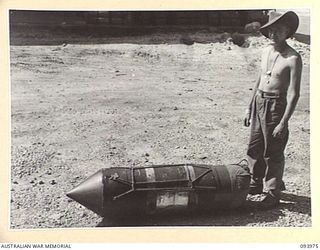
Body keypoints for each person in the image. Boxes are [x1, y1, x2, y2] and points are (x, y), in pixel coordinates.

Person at [244, 11, 302, 208]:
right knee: (254, 146)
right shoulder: (266, 52)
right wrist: (249, 107)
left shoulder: (293, 58)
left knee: (273, 151)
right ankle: (255, 181)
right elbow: (259, 79)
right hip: (260, 100)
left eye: (279, 30)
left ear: (288, 32)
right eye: (271, 30)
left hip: (276, 106)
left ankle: (272, 192)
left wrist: (283, 122)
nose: (273, 34)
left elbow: (294, 93)